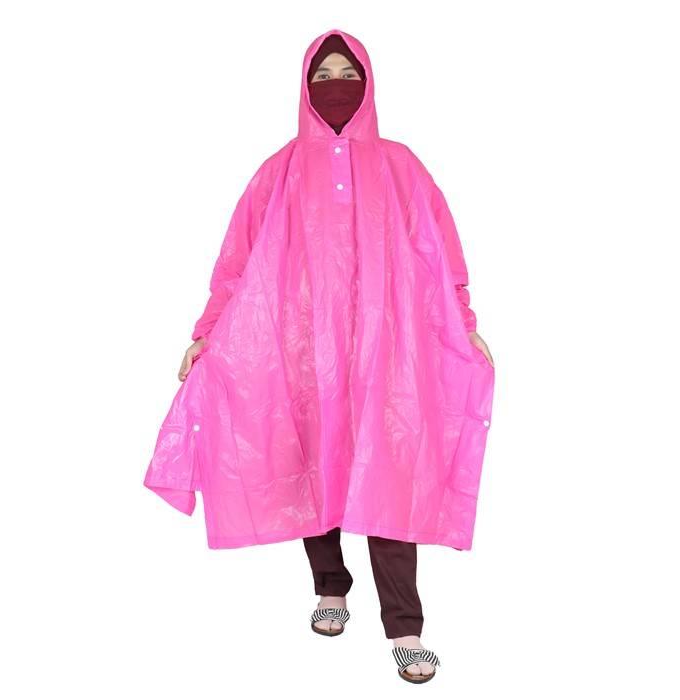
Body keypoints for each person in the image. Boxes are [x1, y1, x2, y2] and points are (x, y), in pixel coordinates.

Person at [145, 28, 495, 685]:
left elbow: (440, 253)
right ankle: (330, 586)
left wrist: (463, 324)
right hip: (303, 352)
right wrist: (209, 332)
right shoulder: (278, 171)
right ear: (305, 88)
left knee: (389, 473)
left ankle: (405, 625)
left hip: (387, 354)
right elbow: (237, 262)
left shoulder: (400, 166)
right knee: (316, 465)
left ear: (368, 84)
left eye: (347, 73)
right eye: (323, 75)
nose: (336, 86)